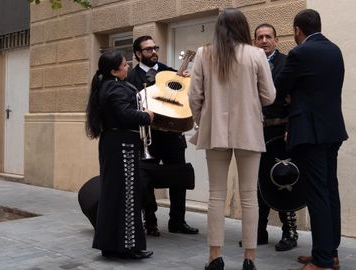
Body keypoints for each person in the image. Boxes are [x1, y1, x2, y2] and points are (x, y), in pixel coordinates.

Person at [189, 8, 276, 270]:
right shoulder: (256, 54)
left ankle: (215, 257)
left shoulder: (205, 53)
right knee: (249, 195)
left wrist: (201, 120)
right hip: (249, 130)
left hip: (214, 130)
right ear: (244, 28)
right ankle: (249, 259)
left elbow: (194, 96)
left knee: (216, 194)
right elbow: (270, 95)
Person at [274, 9, 348, 270]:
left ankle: (323, 261)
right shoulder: (335, 50)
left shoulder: (299, 53)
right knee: (330, 192)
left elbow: (279, 88)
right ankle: (331, 252)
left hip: (309, 132)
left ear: (297, 30)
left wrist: (290, 95)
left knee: (317, 195)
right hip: (333, 130)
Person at [127, 35, 199, 237]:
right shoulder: (132, 79)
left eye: (155, 47)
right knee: (146, 181)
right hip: (148, 138)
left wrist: (186, 81)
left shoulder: (170, 72)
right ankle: (150, 221)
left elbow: (185, 98)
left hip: (173, 136)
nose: (153, 52)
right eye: (148, 49)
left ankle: (178, 221)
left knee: (179, 178)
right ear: (138, 54)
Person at [85, 51, 154, 260]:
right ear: (114, 71)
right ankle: (128, 247)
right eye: (124, 65)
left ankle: (111, 245)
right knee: (127, 197)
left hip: (115, 145)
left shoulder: (108, 85)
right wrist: (146, 116)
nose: (127, 67)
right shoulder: (114, 87)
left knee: (113, 196)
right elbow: (124, 114)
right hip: (122, 146)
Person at [253, 23, 299, 252]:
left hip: (280, 132)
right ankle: (258, 232)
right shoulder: (249, 65)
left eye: (268, 37)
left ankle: (289, 233)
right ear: (254, 41)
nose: (263, 40)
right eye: (259, 37)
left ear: (276, 40)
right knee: (257, 183)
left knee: (283, 180)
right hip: (254, 133)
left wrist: (291, 126)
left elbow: (295, 98)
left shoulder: (286, 62)